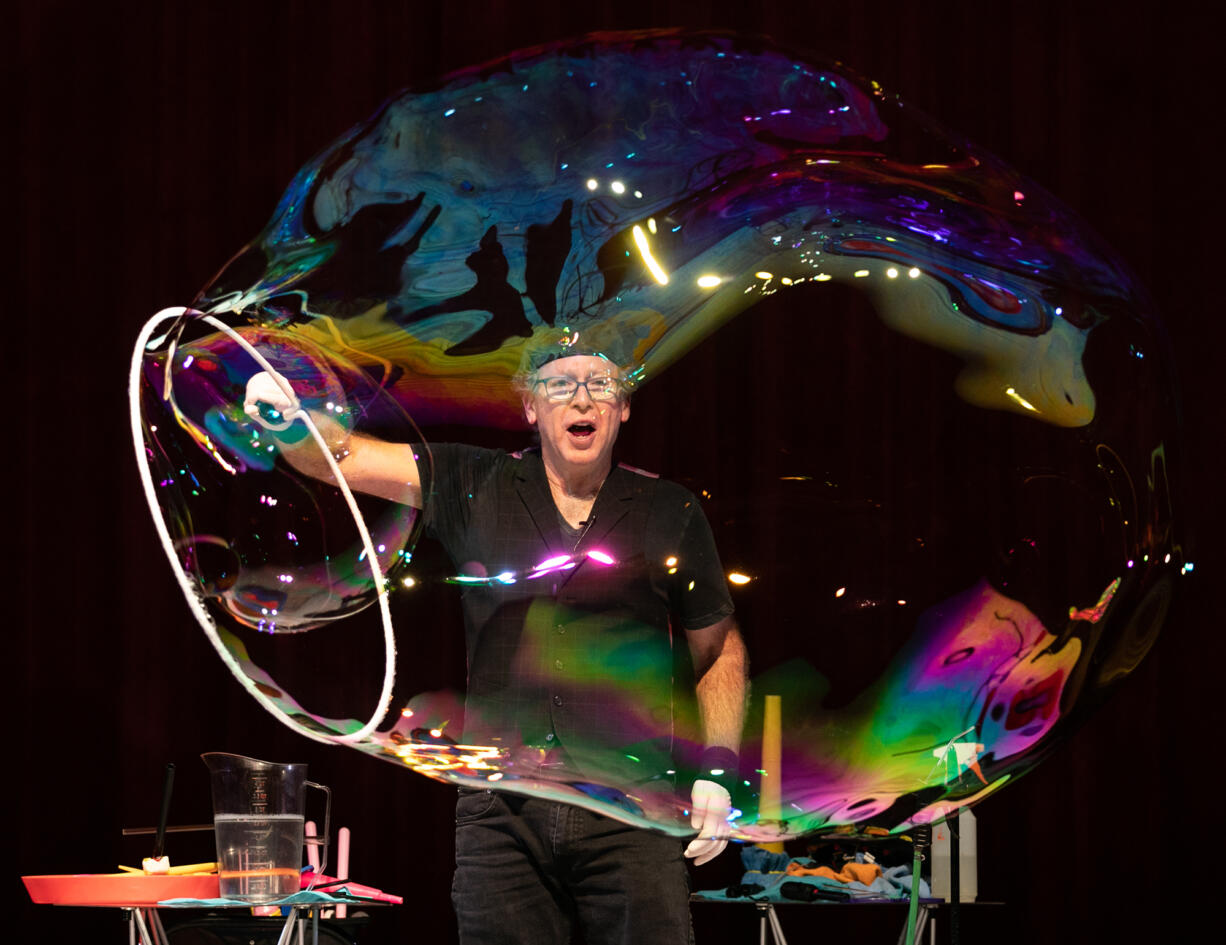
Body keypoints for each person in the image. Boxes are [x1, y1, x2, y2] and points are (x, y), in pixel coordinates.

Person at [245, 336, 747, 944]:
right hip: (502, 819)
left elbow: (718, 648)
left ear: (623, 407)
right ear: (531, 408)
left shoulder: (670, 508)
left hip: (633, 815)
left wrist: (718, 774)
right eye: (561, 384)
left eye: (600, 384)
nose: (581, 398)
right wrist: (293, 423)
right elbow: (343, 458)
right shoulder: (473, 481)